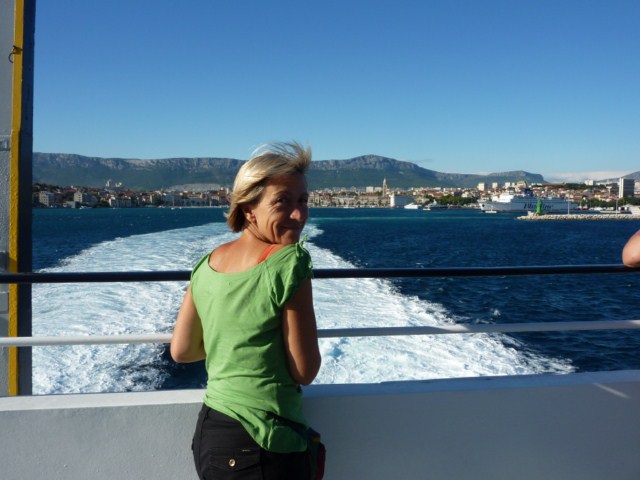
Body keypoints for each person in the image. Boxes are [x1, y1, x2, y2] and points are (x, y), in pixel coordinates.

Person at [170, 142, 321, 480]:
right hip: (264, 442)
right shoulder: (290, 262)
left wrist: (236, 342)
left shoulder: (206, 264)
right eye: (282, 201)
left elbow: (182, 351)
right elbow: (305, 370)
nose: (299, 215)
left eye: (303, 201)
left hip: (211, 433)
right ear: (248, 209)